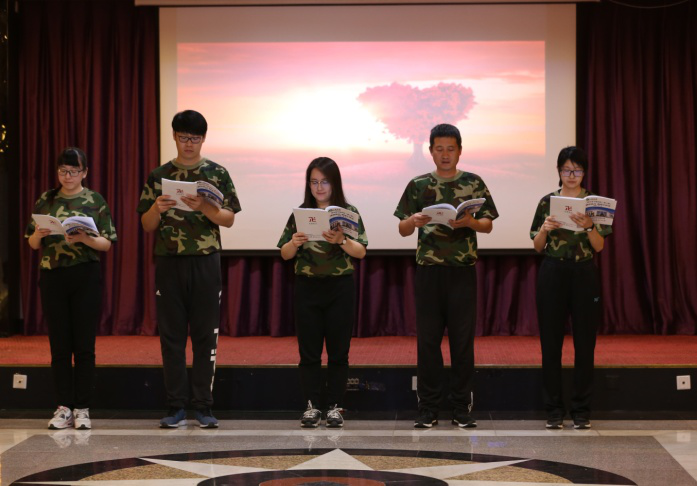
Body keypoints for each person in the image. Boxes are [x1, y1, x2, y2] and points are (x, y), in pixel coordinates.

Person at [137, 110, 241, 428]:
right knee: (171, 337)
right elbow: (146, 224)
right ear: (174, 136)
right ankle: (176, 406)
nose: (189, 144)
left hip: (206, 261)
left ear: (203, 139)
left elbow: (229, 219)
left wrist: (206, 207)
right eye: (184, 137)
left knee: (205, 336)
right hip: (169, 262)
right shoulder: (159, 175)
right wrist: (157, 208)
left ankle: (203, 407)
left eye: (195, 138)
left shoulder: (216, 172)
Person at [394, 123, 498, 429]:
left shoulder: (473, 182)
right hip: (429, 272)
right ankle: (428, 408)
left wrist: (470, 223)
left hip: (462, 272)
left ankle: (461, 408)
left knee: (462, 343)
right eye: (439, 148)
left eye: (450, 148)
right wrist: (413, 221)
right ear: (430, 151)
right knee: (428, 342)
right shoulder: (418, 184)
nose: (445, 154)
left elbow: (488, 224)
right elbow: (402, 229)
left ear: (460, 151)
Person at [26, 147, 117, 430]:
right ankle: (63, 407)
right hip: (52, 276)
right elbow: (32, 243)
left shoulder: (95, 200)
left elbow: (107, 243)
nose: (68, 176)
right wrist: (38, 234)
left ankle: (83, 408)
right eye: (63, 171)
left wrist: (84, 238)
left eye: (74, 171)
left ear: (84, 172)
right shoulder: (46, 199)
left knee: (84, 345)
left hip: (85, 276)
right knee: (60, 345)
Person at [277, 157, 368, 428]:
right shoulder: (300, 214)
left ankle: (335, 407)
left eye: (324, 182)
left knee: (339, 352)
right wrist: (294, 243)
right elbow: (284, 254)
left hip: (340, 287)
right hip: (307, 287)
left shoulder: (348, 212)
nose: (319, 187)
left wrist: (342, 240)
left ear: (334, 183)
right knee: (309, 353)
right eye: (314, 182)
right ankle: (312, 406)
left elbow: (361, 251)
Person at [530, 146, 612, 430]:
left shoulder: (595, 203)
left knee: (585, 344)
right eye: (567, 170)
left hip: (584, 273)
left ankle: (581, 411)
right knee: (550, 343)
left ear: (584, 172)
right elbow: (537, 246)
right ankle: (554, 411)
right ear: (559, 171)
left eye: (577, 170)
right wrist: (545, 229)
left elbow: (599, 247)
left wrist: (590, 226)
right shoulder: (547, 202)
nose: (572, 175)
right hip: (553, 272)